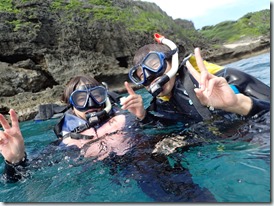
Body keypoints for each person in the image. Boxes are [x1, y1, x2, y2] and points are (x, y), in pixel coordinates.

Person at [0, 75, 137, 182]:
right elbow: (22, 178)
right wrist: (16, 160)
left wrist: (143, 116)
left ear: (105, 97)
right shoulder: (67, 142)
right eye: (81, 99)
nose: (91, 103)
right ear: (71, 104)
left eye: (96, 96)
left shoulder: (127, 118)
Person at [121, 33, 270, 126]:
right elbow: (168, 129)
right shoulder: (159, 107)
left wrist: (238, 104)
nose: (151, 78)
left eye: (155, 66)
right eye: (142, 76)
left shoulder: (224, 78)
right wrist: (143, 117)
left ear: (173, 62)